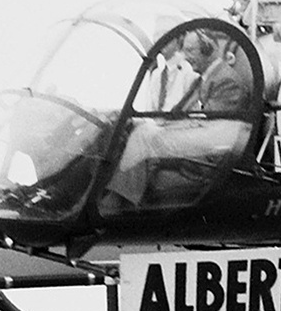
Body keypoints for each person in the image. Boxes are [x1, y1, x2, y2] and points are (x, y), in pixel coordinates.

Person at [104, 31, 255, 210]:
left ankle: (118, 202)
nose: (186, 57)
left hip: (209, 153)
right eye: (185, 51)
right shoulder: (209, 77)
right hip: (201, 141)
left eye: (191, 50)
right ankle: (115, 194)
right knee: (131, 128)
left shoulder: (226, 81)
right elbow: (186, 115)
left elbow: (211, 126)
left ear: (208, 50)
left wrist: (167, 130)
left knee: (144, 136)